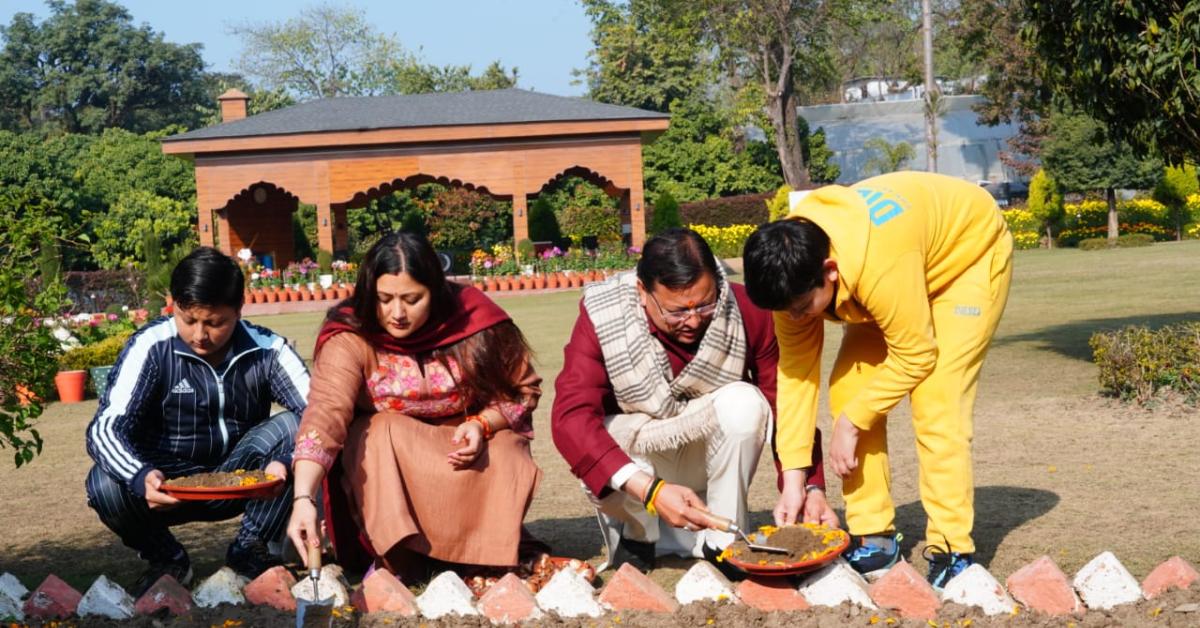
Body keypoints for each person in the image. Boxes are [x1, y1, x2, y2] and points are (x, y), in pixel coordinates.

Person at [742, 172, 1013, 587]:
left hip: (964, 259)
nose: (795, 318)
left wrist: (851, 423)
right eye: (786, 311)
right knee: (849, 387)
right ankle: (876, 538)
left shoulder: (880, 262)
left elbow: (916, 353)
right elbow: (795, 376)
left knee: (937, 401)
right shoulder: (793, 272)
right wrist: (794, 479)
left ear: (830, 270)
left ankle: (952, 549)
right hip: (895, 274)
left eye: (802, 307)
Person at [552, 228, 835, 572]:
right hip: (642, 471)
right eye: (676, 311)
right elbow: (569, 417)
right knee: (595, 436)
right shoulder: (603, 315)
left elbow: (786, 403)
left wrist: (811, 486)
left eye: (705, 304)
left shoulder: (745, 307)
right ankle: (638, 535)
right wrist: (651, 491)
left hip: (706, 457)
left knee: (746, 403)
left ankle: (723, 541)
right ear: (642, 291)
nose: (693, 320)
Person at [286, 231, 543, 582]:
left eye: (412, 299)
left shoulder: (475, 321)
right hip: (393, 458)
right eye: (384, 299)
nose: (397, 314)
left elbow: (521, 392)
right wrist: (303, 498)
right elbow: (325, 414)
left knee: (507, 446)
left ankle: (483, 555)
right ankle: (404, 559)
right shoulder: (350, 334)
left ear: (435, 292)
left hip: (465, 446)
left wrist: (483, 424)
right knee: (379, 431)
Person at [85, 247, 310, 596]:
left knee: (295, 428)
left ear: (239, 309)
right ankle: (169, 561)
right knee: (103, 483)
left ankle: (250, 551)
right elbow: (105, 429)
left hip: (241, 478)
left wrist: (286, 460)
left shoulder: (268, 350)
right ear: (173, 304)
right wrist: (140, 476)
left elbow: (319, 414)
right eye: (188, 320)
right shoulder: (151, 347)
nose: (199, 335)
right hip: (166, 483)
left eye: (215, 323)